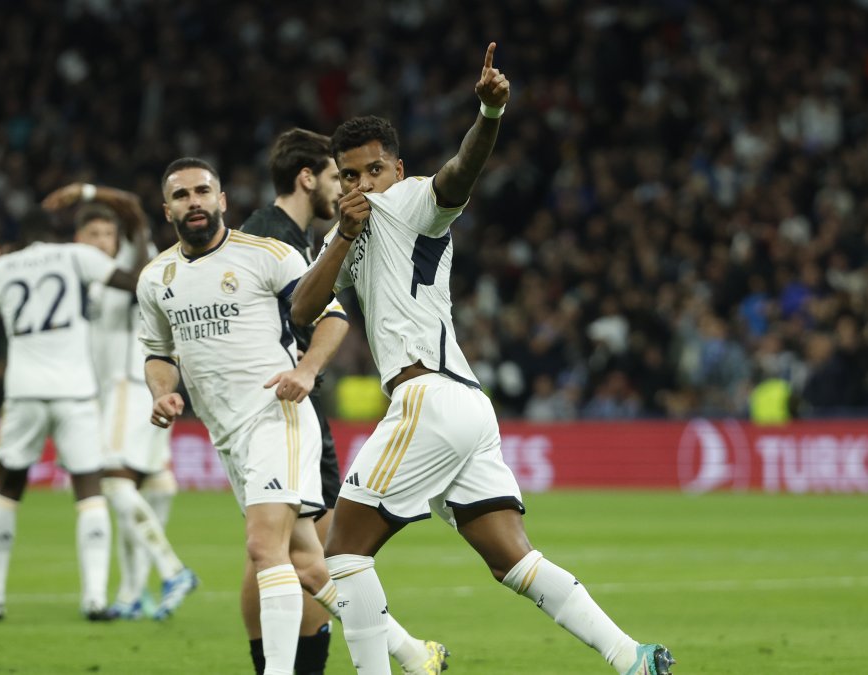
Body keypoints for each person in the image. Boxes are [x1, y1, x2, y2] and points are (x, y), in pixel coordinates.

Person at [290, 43, 676, 675]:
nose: (363, 184)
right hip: (466, 406)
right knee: (513, 559)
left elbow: (457, 176)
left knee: (344, 553)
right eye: (351, 175)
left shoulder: (412, 201)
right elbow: (303, 310)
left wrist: (489, 116)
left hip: (428, 398)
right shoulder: (348, 232)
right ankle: (631, 656)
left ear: (397, 168)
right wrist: (344, 234)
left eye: (374, 170)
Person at [140, 157, 438, 675]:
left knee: (262, 546)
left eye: (203, 191)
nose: (195, 202)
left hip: (277, 416)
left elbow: (334, 317)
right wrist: (162, 392)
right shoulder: (155, 278)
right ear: (167, 209)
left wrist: (306, 368)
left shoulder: (267, 256)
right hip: (228, 436)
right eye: (182, 195)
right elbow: (158, 353)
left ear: (222, 200)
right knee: (305, 562)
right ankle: (413, 653)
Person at [239, 129, 447, 674]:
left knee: (288, 551)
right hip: (279, 409)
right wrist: (304, 371)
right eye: (338, 176)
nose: (346, 188)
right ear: (308, 178)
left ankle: (397, 653)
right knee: (297, 552)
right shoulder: (271, 240)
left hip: (282, 410)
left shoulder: (287, 236)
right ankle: (399, 654)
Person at [0, 205, 144, 621]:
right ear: (53, 234)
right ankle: (96, 599)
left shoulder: (1, 267)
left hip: (24, 392)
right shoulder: (74, 256)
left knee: (8, 490)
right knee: (89, 491)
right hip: (75, 392)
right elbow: (128, 283)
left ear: (18, 239)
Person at [42, 183, 197, 621]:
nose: (99, 243)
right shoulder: (77, 278)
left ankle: (172, 570)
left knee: (112, 482)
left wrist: (85, 191)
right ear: (77, 242)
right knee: (156, 487)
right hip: (122, 390)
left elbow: (131, 210)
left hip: (130, 384)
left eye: (106, 236)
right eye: (91, 236)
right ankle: (131, 595)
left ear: (118, 242)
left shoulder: (129, 265)